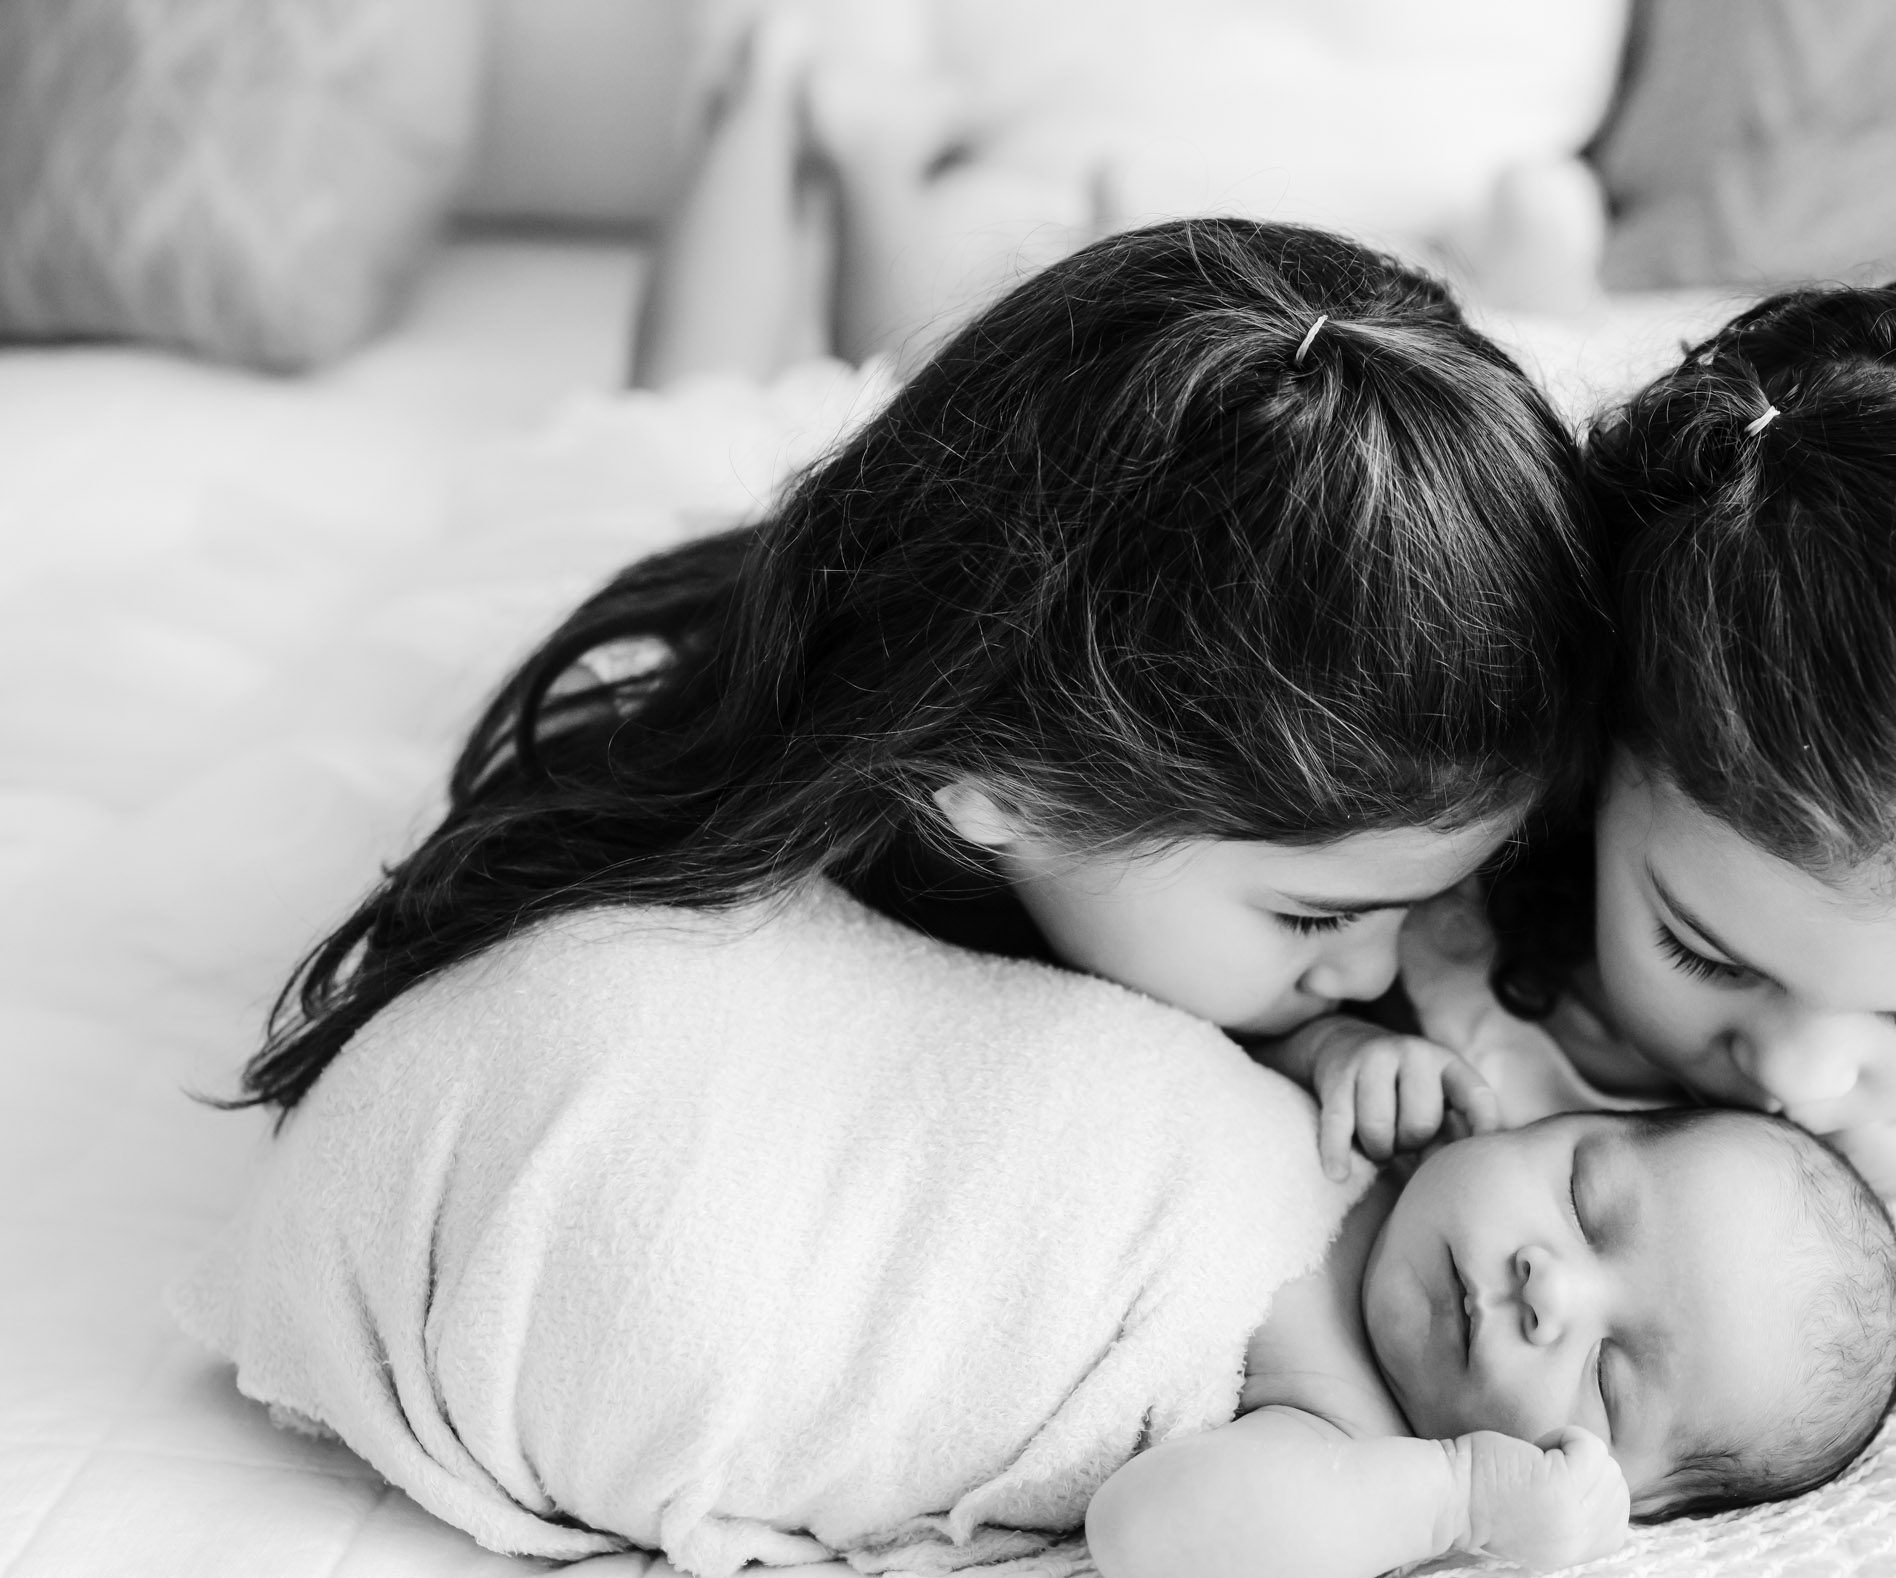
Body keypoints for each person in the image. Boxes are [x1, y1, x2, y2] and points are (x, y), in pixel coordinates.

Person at [230, 216, 1600, 1115]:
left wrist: (1332, 1049)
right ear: (990, 785)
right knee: (671, 399)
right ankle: (761, 108)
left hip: (951, 522)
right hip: (703, 555)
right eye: (1312, 919)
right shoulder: (740, 881)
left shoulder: (1178, 801)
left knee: (903, 389)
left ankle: (897, 190)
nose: (1376, 969)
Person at [1273, 282, 1896, 1196]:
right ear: (1598, 746)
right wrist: (1330, 1045)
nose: (1796, 1074)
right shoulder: (1440, 865)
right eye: (1704, 955)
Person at [1087, 1106, 1896, 1578]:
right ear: (1545, 1119)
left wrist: (1461, 1495)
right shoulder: (1385, 1120)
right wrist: (1336, 1045)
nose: (1550, 1285)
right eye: (1584, 1200)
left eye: (1606, 1378)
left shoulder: (1344, 1446)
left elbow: (1148, 1537)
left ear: (1602, 1489)